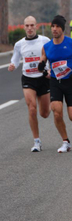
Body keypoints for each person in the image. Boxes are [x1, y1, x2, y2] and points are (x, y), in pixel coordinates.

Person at [38, 15, 72, 153]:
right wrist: (42, 67)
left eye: (57, 27)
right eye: (53, 27)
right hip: (55, 82)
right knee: (56, 111)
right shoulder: (47, 46)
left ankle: (68, 132)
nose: (54, 29)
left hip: (70, 82)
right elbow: (43, 60)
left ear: (62, 28)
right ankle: (65, 141)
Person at [8, 16, 51, 152]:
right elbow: (15, 59)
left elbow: (52, 55)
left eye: (32, 25)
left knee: (44, 113)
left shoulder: (45, 40)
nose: (30, 28)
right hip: (28, 79)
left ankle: (47, 106)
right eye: (27, 26)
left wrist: (50, 69)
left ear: (36, 26)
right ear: (24, 27)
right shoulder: (19, 44)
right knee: (32, 108)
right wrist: (12, 65)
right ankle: (36, 142)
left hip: (43, 78)